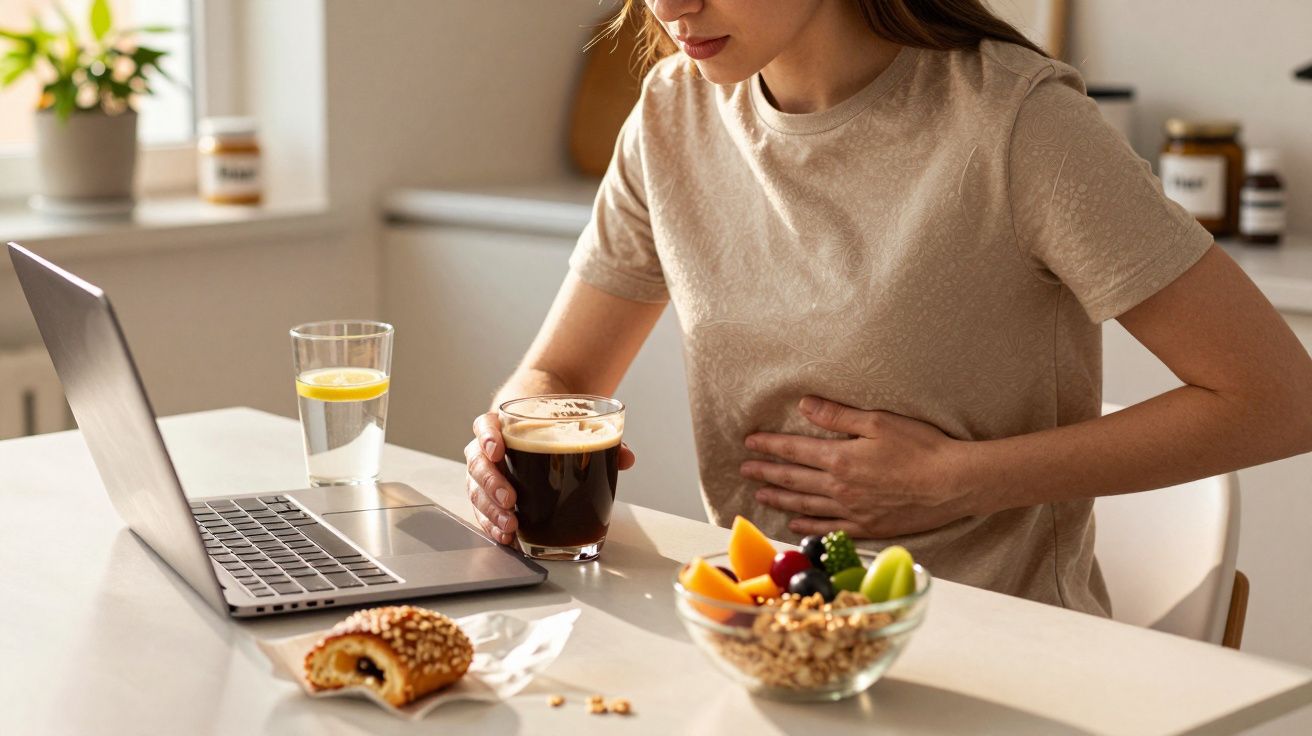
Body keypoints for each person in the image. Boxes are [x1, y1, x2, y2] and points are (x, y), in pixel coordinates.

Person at [464, 0, 1312, 615]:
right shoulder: (668, 115)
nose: (671, 6)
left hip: (1001, 653)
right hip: (763, 631)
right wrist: (508, 431)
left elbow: (1280, 400)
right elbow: (563, 375)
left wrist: (956, 481)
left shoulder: (1017, 124)